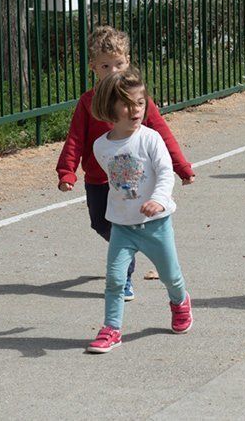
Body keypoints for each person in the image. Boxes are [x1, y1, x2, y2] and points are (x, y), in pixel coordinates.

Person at [56, 26, 195, 300]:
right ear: (94, 67)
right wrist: (67, 172)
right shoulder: (88, 102)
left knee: (127, 227)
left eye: (119, 64)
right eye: (106, 65)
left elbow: (162, 132)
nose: (113, 71)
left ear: (127, 62)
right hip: (98, 179)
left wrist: (182, 167)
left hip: (134, 181)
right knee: (99, 223)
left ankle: (125, 272)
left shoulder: (138, 101)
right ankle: (127, 249)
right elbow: (75, 138)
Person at [86, 67, 192, 353]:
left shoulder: (150, 138)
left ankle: (180, 301)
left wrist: (158, 199)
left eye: (140, 102)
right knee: (115, 279)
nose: (135, 109)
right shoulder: (101, 147)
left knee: (170, 275)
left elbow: (165, 173)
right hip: (122, 225)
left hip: (156, 223)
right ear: (110, 107)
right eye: (127, 103)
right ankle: (112, 328)